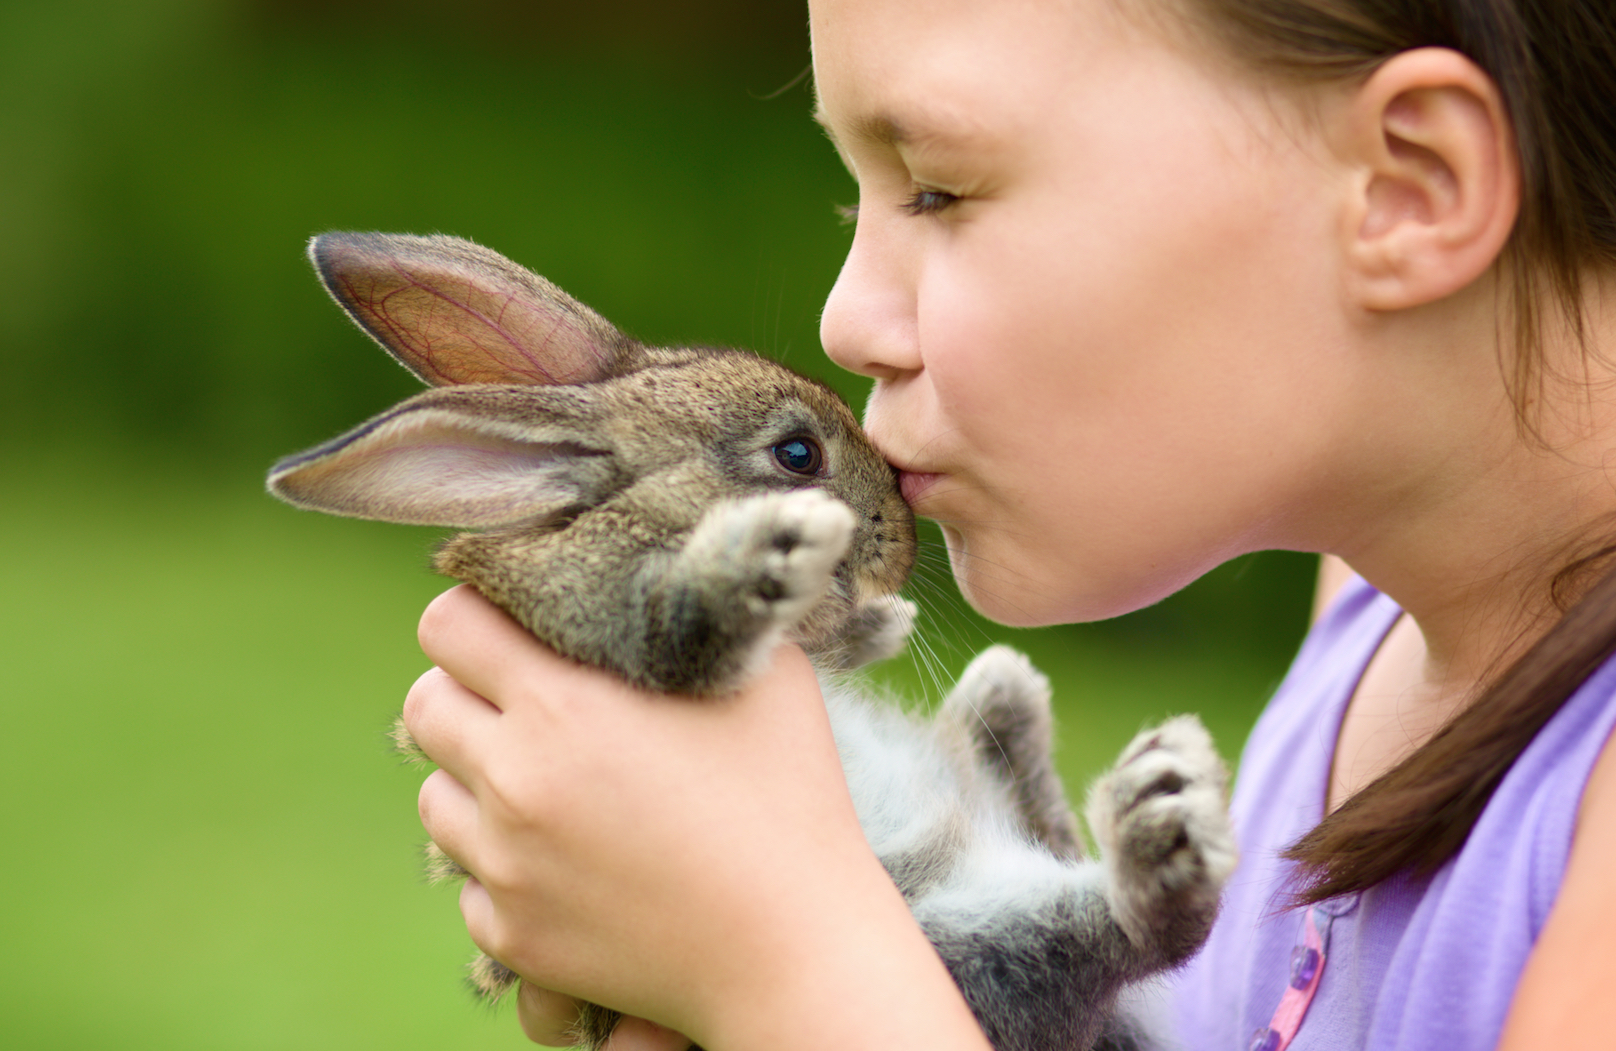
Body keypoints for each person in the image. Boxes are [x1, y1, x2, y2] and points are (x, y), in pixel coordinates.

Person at [400, 0, 1616, 1047]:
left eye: (938, 188)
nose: (845, 319)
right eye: (854, 205)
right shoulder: (1370, 594)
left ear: (1407, 188)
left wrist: (786, 961)